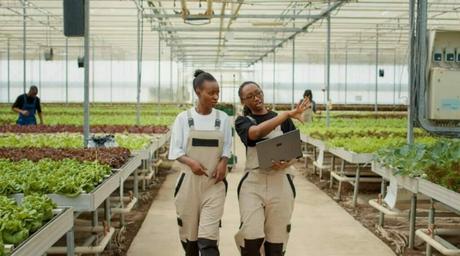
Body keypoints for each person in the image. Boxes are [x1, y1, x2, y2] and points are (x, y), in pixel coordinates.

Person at [234, 81, 310, 256]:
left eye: (258, 92)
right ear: (243, 101)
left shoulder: (283, 120)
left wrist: (287, 163)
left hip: (280, 182)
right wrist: (285, 114)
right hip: (254, 182)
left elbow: (295, 151)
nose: (256, 98)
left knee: (276, 242)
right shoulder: (243, 121)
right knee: (251, 237)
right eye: (250, 96)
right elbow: (255, 133)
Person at [168, 70, 232, 256]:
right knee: (191, 241)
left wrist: (223, 161)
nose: (216, 97)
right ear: (198, 91)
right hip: (188, 185)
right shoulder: (183, 119)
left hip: (214, 184)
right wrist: (191, 162)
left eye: (217, 92)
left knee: (208, 240)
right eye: (211, 93)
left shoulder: (223, 118)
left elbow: (227, 146)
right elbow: (176, 150)